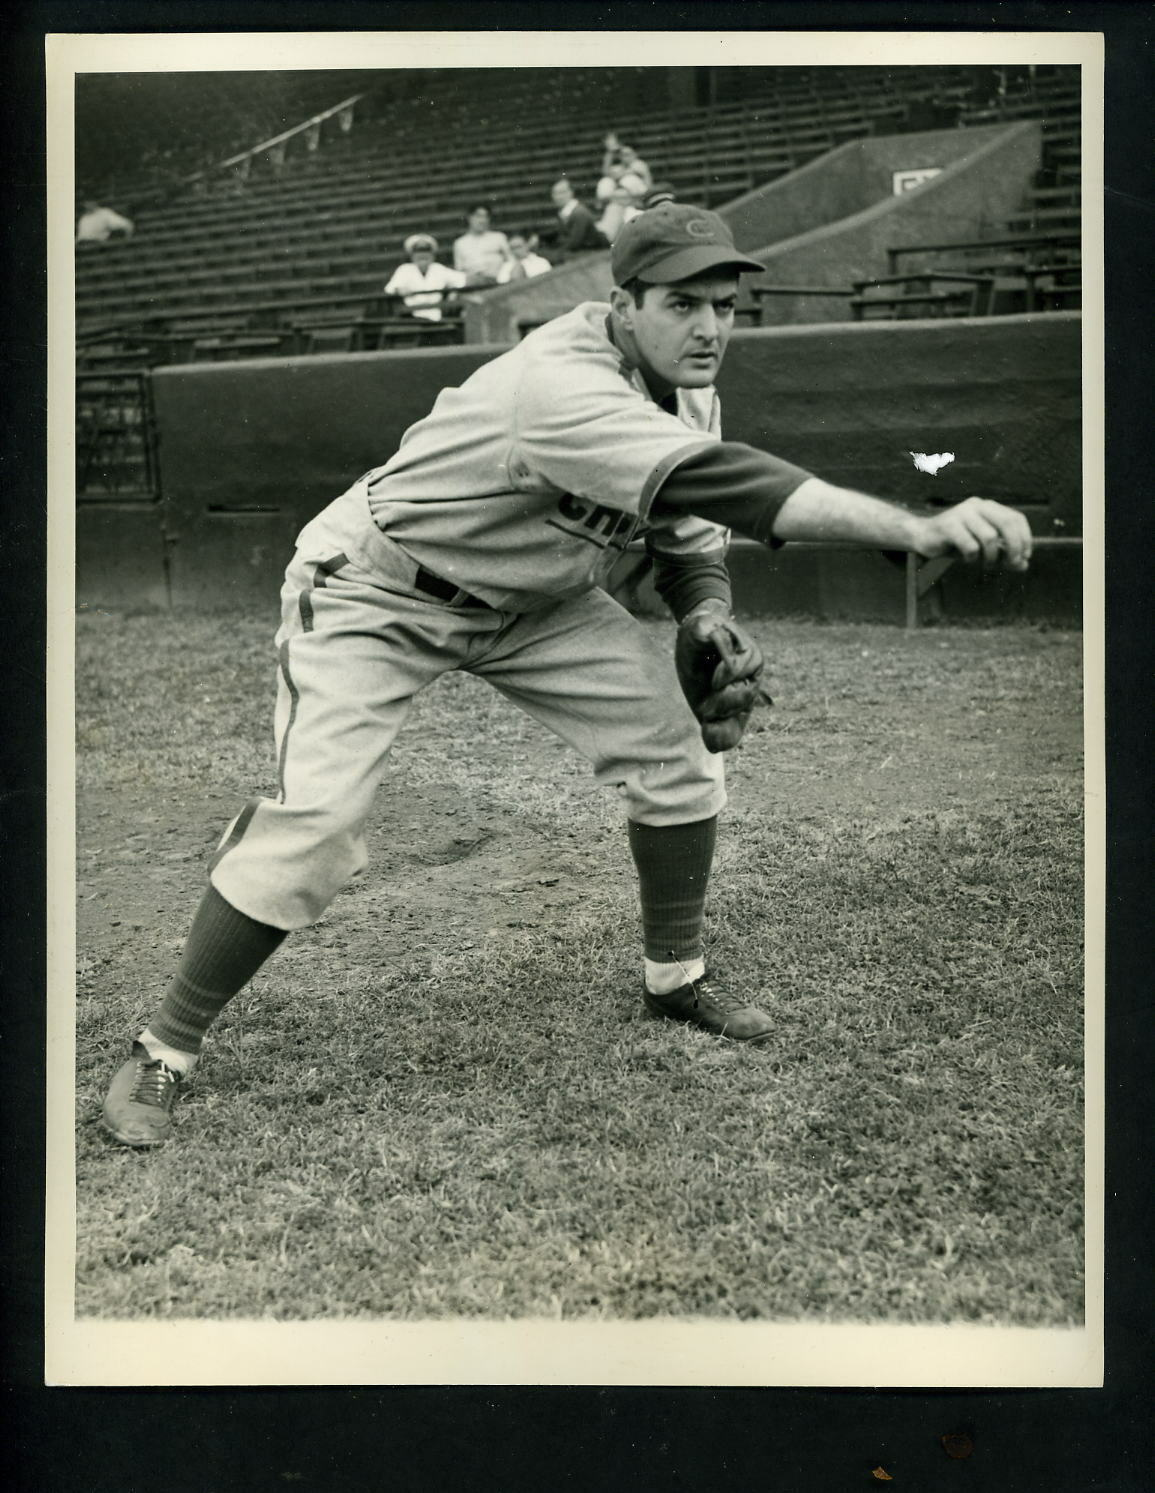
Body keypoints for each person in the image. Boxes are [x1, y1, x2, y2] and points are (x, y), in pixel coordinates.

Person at [100, 202, 1033, 1147]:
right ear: (623, 304)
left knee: (676, 749)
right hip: (378, 592)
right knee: (320, 823)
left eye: (725, 304)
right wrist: (912, 526)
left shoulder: (687, 379)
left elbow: (685, 539)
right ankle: (166, 1047)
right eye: (681, 303)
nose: (709, 327)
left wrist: (705, 609)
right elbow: (735, 487)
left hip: (534, 602)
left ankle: (675, 977)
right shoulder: (557, 381)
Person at [384, 233, 466, 321]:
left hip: (435, 315)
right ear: (412, 256)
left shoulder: (438, 269)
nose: (422, 256)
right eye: (418, 253)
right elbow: (390, 288)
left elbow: (462, 280)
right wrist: (399, 289)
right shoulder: (405, 269)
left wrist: (454, 292)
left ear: (432, 255)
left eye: (426, 253)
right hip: (411, 317)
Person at [547, 178, 608, 262]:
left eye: (562, 192)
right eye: (555, 193)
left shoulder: (579, 213)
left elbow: (575, 242)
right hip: (579, 252)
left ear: (571, 192)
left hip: (591, 253)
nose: (558, 197)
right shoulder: (564, 212)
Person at [451, 204, 512, 286]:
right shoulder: (460, 243)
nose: (482, 220)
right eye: (478, 216)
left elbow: (510, 260)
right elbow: (459, 270)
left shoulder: (499, 237)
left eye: (486, 217)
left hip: (498, 280)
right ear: (469, 218)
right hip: (473, 284)